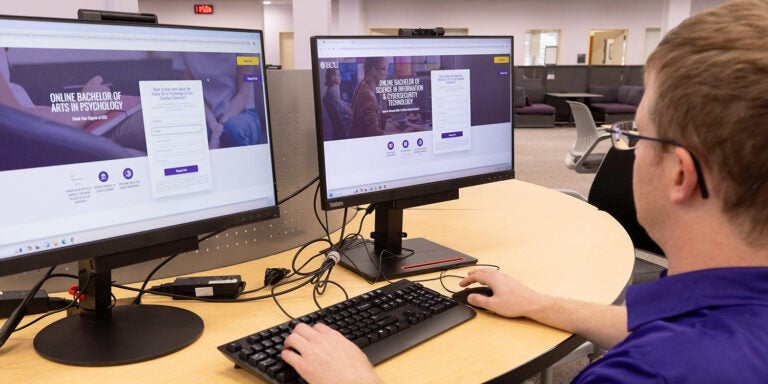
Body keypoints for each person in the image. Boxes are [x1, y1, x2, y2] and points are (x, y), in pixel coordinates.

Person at [281, 0, 768, 382]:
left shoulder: (650, 374)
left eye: (633, 136)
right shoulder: (727, 309)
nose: (627, 148)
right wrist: (539, 303)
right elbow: (662, 324)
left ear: (680, 175)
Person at [349, 57, 388, 138]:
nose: (386, 73)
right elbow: (374, 133)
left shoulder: (362, 86)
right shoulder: (367, 96)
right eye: (383, 69)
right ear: (373, 70)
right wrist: (402, 134)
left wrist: (383, 99)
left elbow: (379, 125)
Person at [322, 67, 352, 140]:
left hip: (339, 127)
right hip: (341, 128)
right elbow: (341, 107)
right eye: (338, 75)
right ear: (332, 77)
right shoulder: (332, 92)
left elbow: (340, 103)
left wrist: (350, 105)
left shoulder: (332, 90)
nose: (340, 77)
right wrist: (353, 112)